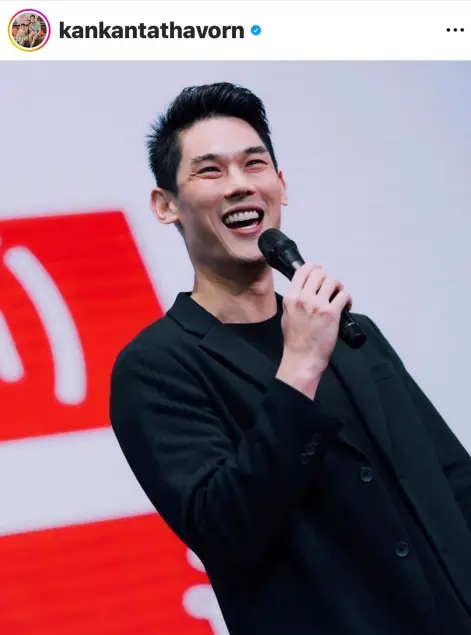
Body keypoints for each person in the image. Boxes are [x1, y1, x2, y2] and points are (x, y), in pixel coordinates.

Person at [109, 82, 471, 635]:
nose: (239, 184)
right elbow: (225, 530)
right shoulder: (156, 367)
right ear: (166, 205)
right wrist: (299, 366)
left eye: (254, 164)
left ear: (281, 184)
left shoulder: (347, 330)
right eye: (210, 171)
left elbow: (449, 477)